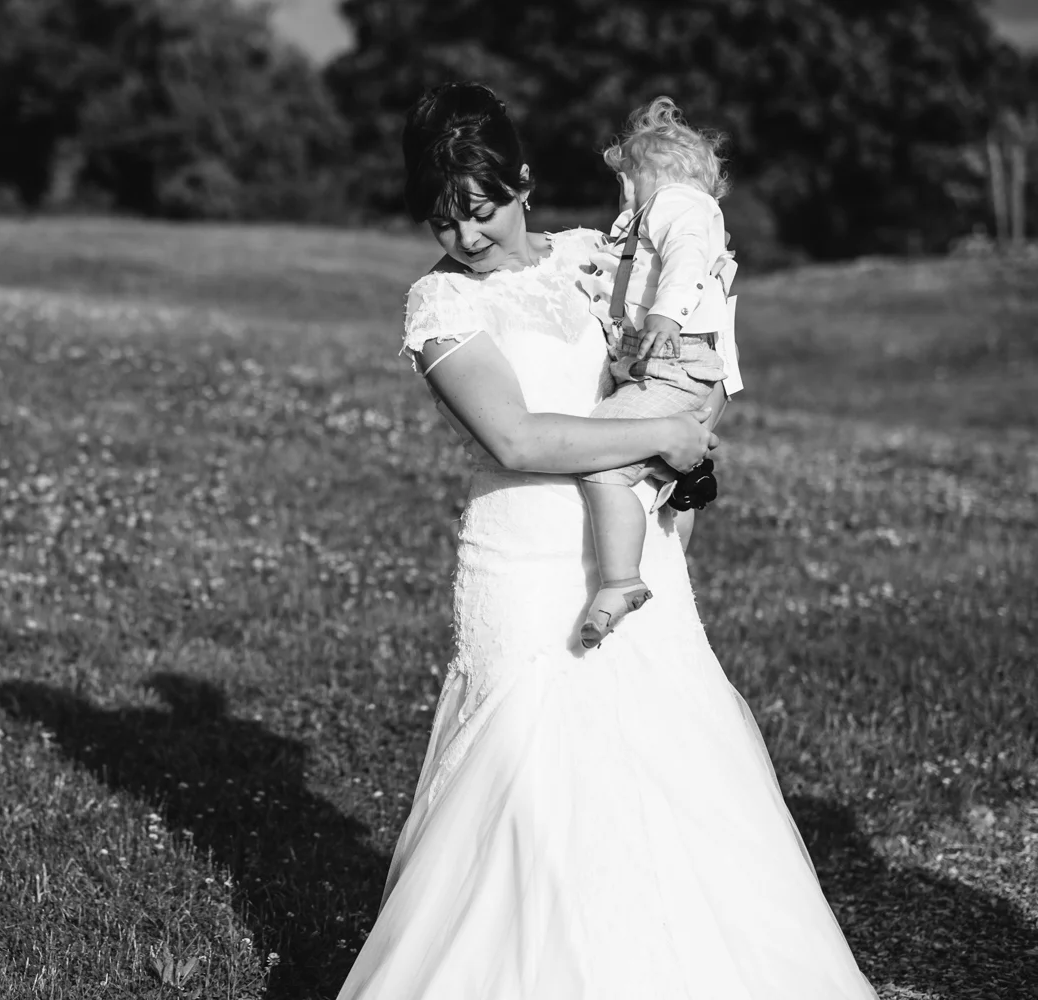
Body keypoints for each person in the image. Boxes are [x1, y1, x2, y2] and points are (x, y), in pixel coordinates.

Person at [337, 82, 877, 999]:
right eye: (442, 220)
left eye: (482, 210)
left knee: (664, 782)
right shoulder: (439, 306)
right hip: (525, 564)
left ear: (525, 182)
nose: (467, 238)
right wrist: (655, 437)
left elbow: (686, 339)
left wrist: (685, 440)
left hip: (638, 552)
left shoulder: (600, 258)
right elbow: (518, 437)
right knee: (531, 796)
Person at [576, 95, 742, 648]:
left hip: (672, 358)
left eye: (630, 179)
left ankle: (621, 581)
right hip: (657, 360)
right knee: (655, 477)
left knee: (601, 457)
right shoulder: (659, 210)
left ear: (661, 172)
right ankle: (676, 523)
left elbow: (686, 260)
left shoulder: (677, 203)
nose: (625, 193)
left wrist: (667, 316)